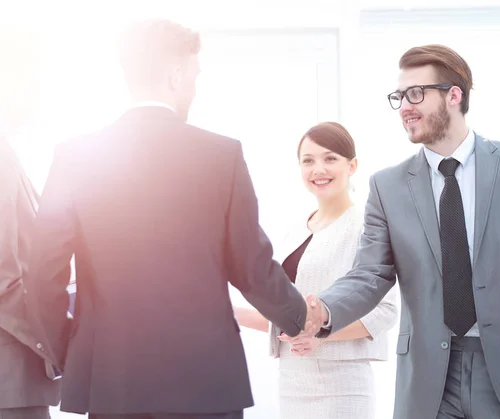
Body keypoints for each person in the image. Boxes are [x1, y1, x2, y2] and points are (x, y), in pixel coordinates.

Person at [22, 18, 316, 419]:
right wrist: (299, 317)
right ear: (176, 75)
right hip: (207, 381)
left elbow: (41, 275)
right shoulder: (221, 156)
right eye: (194, 74)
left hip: (113, 382)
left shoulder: (75, 157)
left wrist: (72, 353)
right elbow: (251, 266)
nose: (195, 85)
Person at [304, 44, 500, 419]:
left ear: (454, 95)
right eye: (399, 96)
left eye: (416, 93)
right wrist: (324, 309)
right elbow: (369, 274)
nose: (405, 106)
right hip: (427, 377)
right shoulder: (388, 186)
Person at [235, 121, 397, 419]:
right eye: (308, 161)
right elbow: (285, 317)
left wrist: (320, 334)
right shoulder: (294, 231)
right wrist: (227, 311)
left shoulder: (366, 227)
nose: (318, 169)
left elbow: (385, 311)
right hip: (293, 383)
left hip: (342, 387)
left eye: (330, 158)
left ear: (352, 165)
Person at [0, 24, 61, 419]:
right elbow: (4, 278)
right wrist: (59, 340)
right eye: (37, 77)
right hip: (11, 381)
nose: (43, 92)